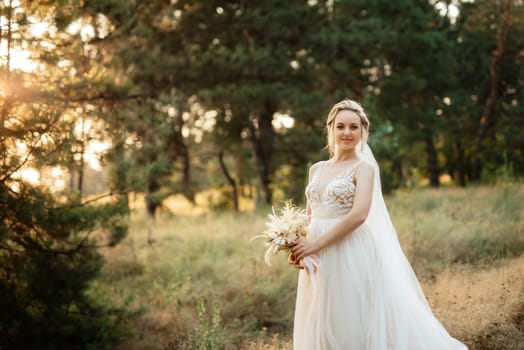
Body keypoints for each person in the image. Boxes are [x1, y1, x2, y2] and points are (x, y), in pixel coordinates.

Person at [289, 99, 468, 349]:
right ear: (330, 129)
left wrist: (316, 243)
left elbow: (359, 215)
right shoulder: (316, 169)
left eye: (354, 127)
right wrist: (298, 247)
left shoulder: (363, 169)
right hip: (316, 254)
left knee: (348, 316)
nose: (347, 133)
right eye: (340, 126)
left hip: (349, 250)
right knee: (319, 313)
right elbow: (309, 215)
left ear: (363, 131)